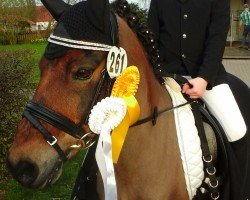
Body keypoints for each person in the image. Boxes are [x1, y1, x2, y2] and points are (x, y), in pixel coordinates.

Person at [147, 0, 246, 142]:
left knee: (236, 130)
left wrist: (204, 78)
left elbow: (217, 40)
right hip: (165, 74)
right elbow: (151, 38)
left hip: (205, 74)